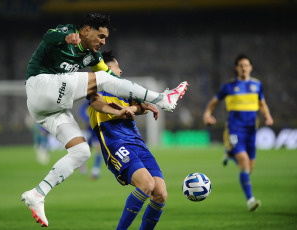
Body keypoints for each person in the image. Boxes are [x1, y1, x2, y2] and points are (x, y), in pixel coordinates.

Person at [21, 12, 188, 227]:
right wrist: (67, 37)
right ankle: (164, 99)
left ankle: (37, 194)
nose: (103, 42)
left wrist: (140, 100)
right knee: (101, 79)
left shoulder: (91, 56)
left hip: (50, 110)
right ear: (86, 30)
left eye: (105, 38)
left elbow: (114, 80)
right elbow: (48, 37)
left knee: (81, 151)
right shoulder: (67, 31)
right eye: (100, 36)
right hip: (40, 86)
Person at [88, 51, 169, 230]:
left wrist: (133, 107)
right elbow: (96, 104)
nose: (121, 71)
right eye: (118, 67)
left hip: (137, 142)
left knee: (161, 193)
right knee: (146, 184)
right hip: (115, 143)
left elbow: (142, 108)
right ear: (108, 69)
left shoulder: (124, 90)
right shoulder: (94, 88)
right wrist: (122, 110)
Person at [203, 54, 273, 212]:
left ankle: (229, 152)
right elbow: (213, 102)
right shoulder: (229, 86)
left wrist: (267, 116)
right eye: (241, 65)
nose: (243, 68)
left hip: (251, 130)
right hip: (235, 129)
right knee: (244, 161)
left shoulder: (257, 85)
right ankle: (250, 200)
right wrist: (207, 115)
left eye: (246, 65)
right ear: (236, 68)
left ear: (250, 67)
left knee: (249, 167)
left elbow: (262, 103)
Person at [78, 100, 103, 179]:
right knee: (88, 148)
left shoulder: (106, 97)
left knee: (99, 148)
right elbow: (82, 110)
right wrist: (88, 119)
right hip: (91, 128)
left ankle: (95, 170)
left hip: (100, 128)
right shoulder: (92, 98)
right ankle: (82, 163)